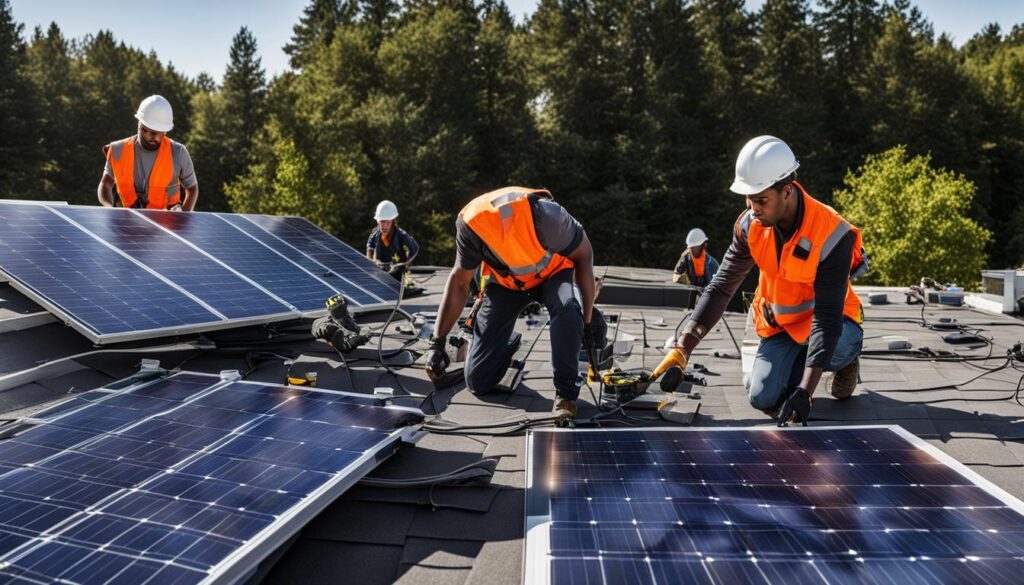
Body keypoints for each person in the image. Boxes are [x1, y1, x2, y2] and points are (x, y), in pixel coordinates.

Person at [658, 136, 867, 425]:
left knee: (832, 351)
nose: (753, 208)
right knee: (762, 397)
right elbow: (721, 287)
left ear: (787, 191)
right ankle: (802, 366)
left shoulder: (832, 234)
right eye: (748, 198)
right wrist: (682, 349)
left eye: (761, 200)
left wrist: (805, 392)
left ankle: (847, 359)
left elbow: (827, 318)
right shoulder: (750, 227)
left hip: (833, 323)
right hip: (782, 327)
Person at [423, 187, 596, 420]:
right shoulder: (470, 225)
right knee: (478, 381)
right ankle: (507, 343)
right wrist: (437, 344)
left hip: (553, 276)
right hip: (507, 284)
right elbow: (459, 283)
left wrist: (586, 322)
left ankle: (566, 395)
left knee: (567, 310)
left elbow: (584, 255)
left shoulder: (548, 217)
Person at [98, 95, 198, 211]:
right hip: (129, 221)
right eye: (149, 131)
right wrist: (109, 208)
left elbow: (192, 188)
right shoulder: (117, 150)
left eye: (158, 132)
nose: (153, 137)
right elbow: (105, 184)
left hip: (167, 223)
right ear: (140, 126)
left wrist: (183, 218)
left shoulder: (178, 153)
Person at [366, 200, 419, 280]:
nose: (384, 226)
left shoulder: (401, 235)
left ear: (393, 222)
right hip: (381, 275)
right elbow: (370, 246)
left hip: (398, 275)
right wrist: (371, 262)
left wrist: (406, 265)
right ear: (378, 221)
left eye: (388, 223)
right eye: (382, 222)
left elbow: (414, 248)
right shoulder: (375, 234)